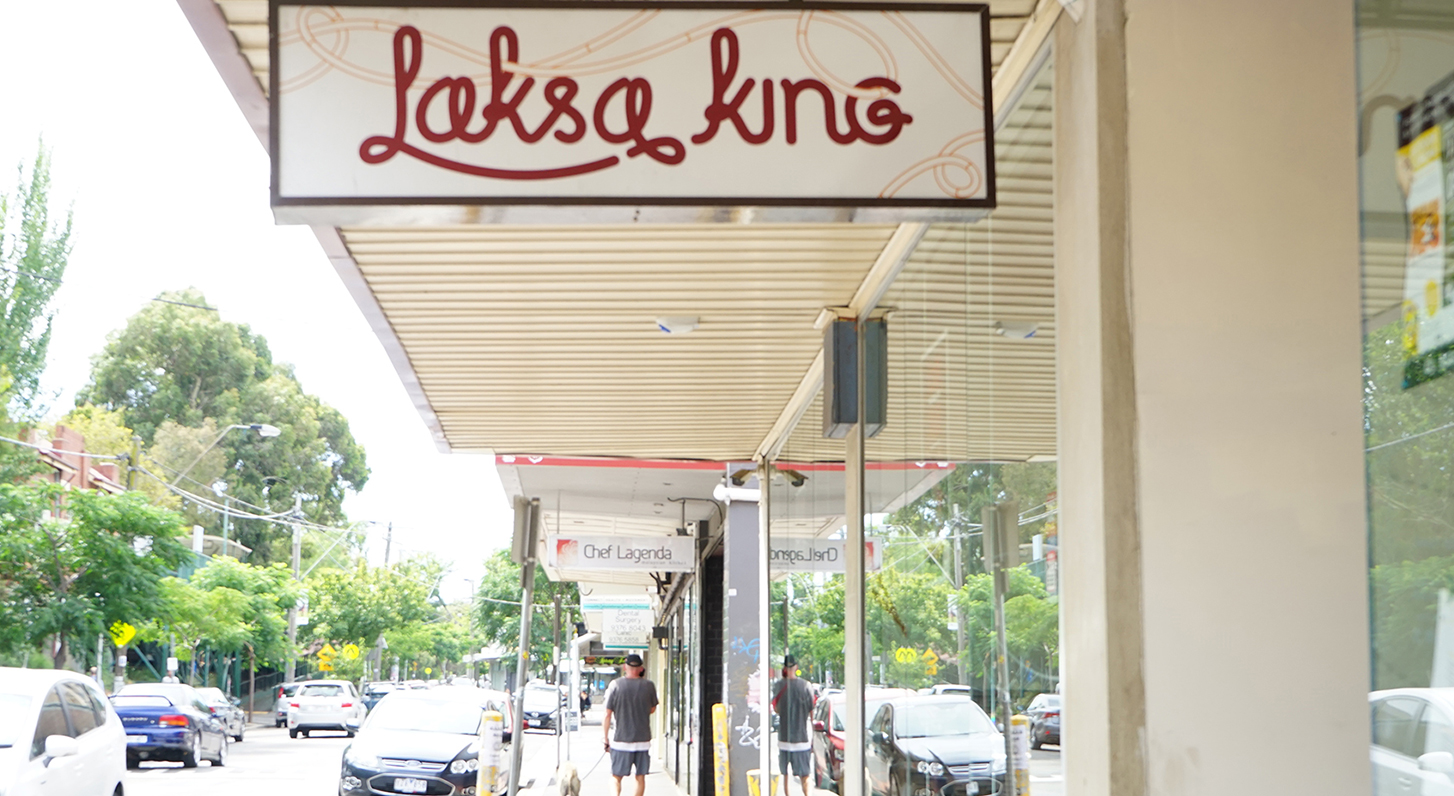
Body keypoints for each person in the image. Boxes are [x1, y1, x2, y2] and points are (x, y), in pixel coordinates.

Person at [603, 653, 658, 796]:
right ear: (641, 669)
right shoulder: (649, 686)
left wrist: (605, 738)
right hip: (643, 740)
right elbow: (652, 709)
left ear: (624, 667)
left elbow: (607, 714)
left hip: (621, 740)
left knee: (616, 776)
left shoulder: (615, 685)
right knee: (640, 777)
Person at [772, 654, 815, 796]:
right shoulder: (806, 686)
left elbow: (776, 709)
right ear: (796, 667)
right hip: (802, 739)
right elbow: (811, 710)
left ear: (784, 668)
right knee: (805, 774)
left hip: (784, 738)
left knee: (785, 774)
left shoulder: (778, 686)